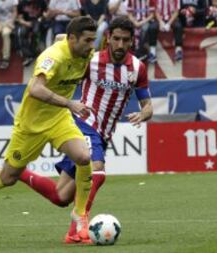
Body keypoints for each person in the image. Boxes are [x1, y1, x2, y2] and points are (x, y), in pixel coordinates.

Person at [0, 16, 98, 242]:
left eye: (94, 40)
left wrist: (67, 107)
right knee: (8, 176)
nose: (92, 46)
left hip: (58, 119)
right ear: (73, 39)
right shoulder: (53, 57)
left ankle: (80, 216)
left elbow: (62, 38)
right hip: (31, 125)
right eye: (88, 41)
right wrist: (71, 103)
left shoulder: (82, 50)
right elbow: (35, 89)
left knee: (83, 156)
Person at [18, 16, 153, 244]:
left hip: (103, 134)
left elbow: (147, 105)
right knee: (97, 169)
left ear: (132, 41)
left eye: (126, 40)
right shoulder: (90, 59)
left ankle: (17, 171)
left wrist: (143, 114)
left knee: (61, 196)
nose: (120, 45)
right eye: (116, 39)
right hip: (84, 124)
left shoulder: (137, 68)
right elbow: (67, 42)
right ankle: (78, 228)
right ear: (108, 37)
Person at [0, 0, 18, 69]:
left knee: (5, 34)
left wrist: (11, 22)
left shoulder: (13, 1)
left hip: (9, 23)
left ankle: (6, 58)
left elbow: (15, 12)